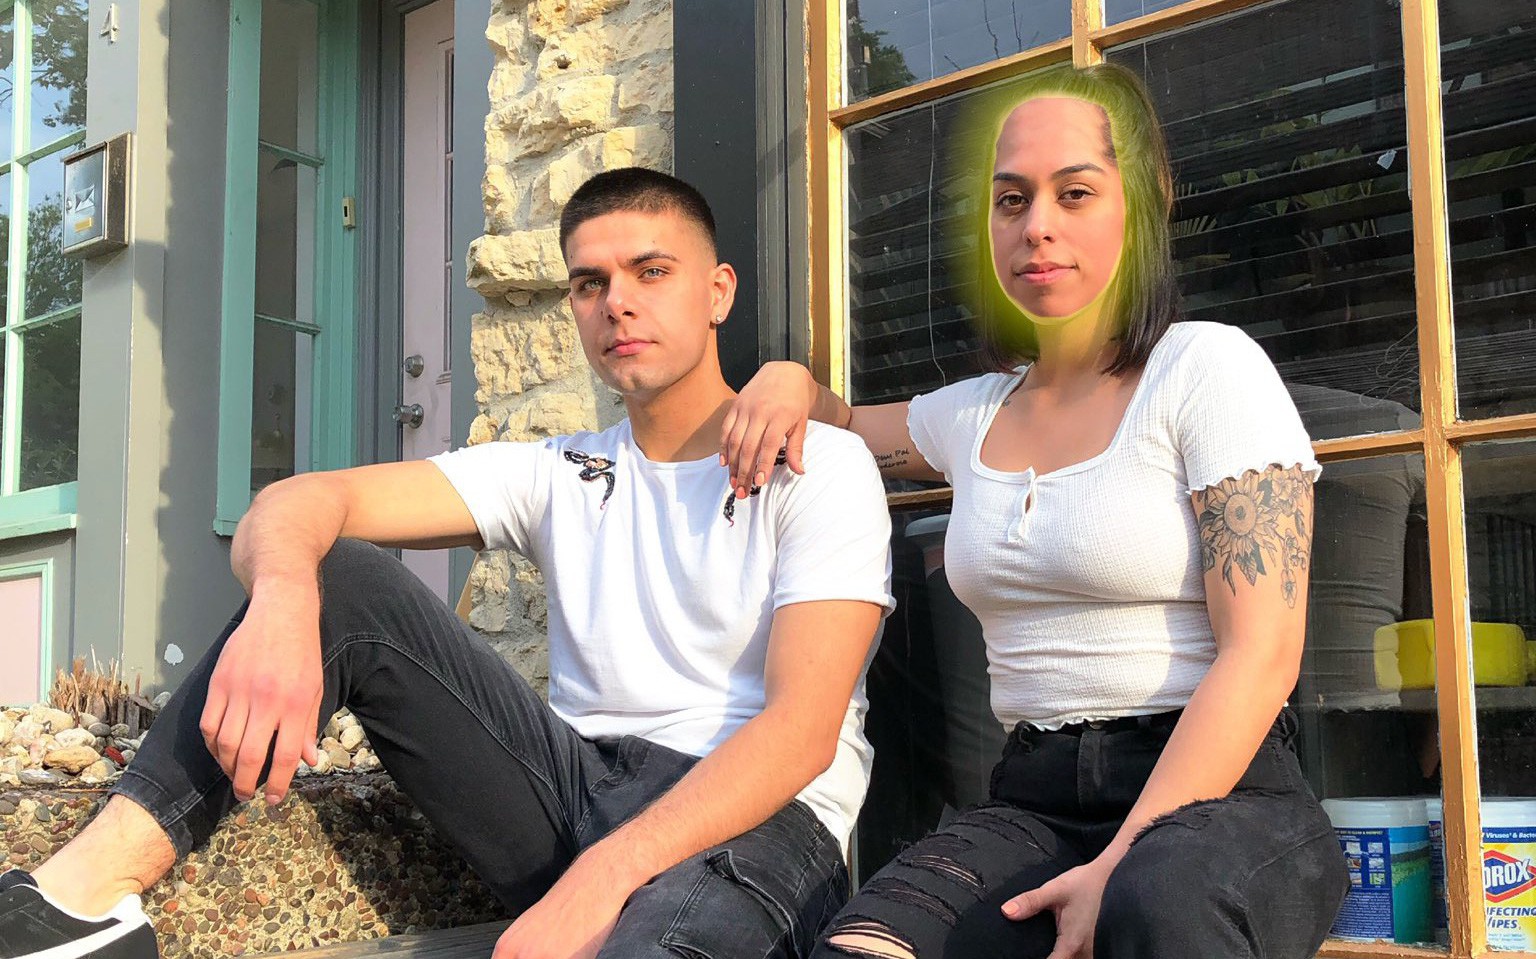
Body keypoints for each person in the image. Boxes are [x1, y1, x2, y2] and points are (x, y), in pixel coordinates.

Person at [0, 168, 895, 959]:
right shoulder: (558, 472)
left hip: (759, 822)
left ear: (717, 291)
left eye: (651, 271)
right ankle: (74, 905)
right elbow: (299, 502)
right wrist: (282, 601)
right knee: (339, 575)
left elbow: (800, 733)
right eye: (590, 282)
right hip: (572, 790)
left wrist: (602, 878)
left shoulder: (818, 465)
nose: (617, 302)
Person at [719, 63, 1349, 959]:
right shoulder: (972, 414)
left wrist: (1119, 862)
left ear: (1148, 198)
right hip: (1035, 796)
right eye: (1011, 200)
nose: (1036, 226)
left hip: (1223, 796)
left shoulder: (1207, 369)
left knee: (1155, 906)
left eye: (1074, 192)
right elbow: (842, 424)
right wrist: (788, 378)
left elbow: (1263, 653)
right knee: (858, 948)